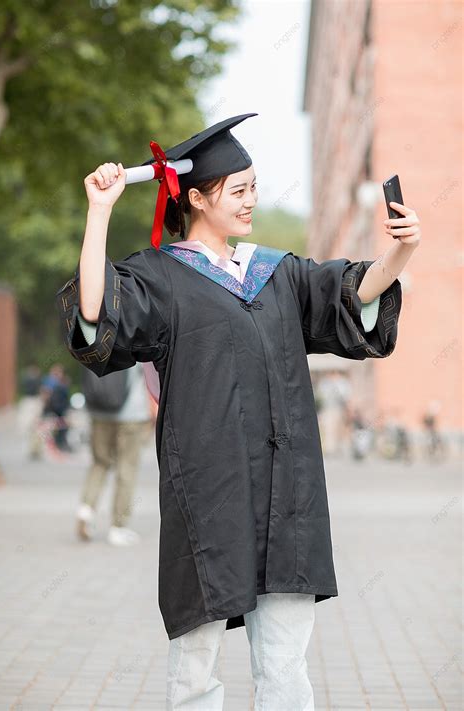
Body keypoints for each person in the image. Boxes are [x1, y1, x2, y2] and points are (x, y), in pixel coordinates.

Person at [56, 113, 421, 709]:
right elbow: (96, 316)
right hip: (210, 494)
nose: (253, 199)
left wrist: (400, 251)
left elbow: (349, 295)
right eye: (240, 189)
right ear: (197, 198)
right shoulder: (161, 277)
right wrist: (98, 213)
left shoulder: (274, 272)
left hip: (287, 496)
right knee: (197, 666)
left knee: (285, 664)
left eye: (255, 186)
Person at [76, 361, 152, 545]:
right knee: (127, 467)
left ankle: (86, 510)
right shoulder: (138, 331)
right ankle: (118, 527)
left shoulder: (98, 332)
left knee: (99, 463)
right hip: (131, 414)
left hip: (99, 411)